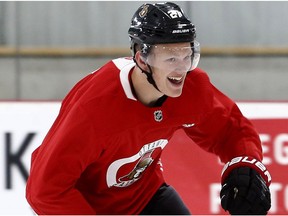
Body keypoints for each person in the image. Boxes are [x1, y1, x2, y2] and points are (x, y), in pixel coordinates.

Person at [26, 2, 271, 215]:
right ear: (142, 59)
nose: (182, 69)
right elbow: (45, 190)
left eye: (187, 55)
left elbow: (230, 128)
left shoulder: (192, 88)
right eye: (171, 58)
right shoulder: (94, 108)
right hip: (92, 208)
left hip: (146, 197)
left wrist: (244, 163)